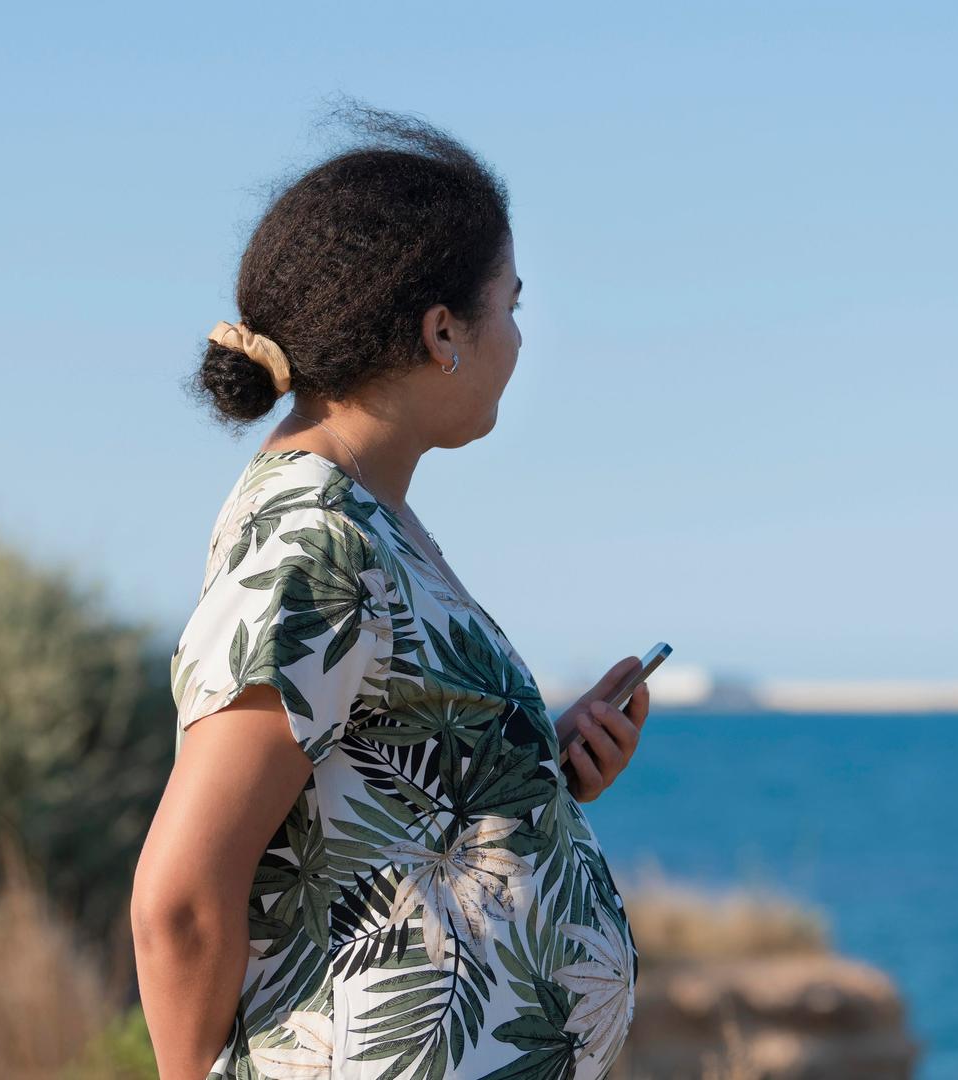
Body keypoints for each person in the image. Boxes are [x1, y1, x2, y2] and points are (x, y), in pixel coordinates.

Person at [130, 101, 650, 1080]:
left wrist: (536, 765)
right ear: (443, 329)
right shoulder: (316, 539)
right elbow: (181, 897)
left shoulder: (372, 522)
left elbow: (367, 793)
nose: (520, 338)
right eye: (513, 305)